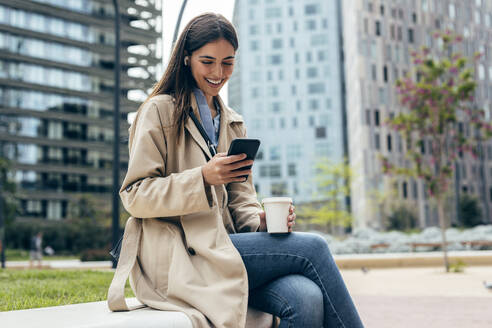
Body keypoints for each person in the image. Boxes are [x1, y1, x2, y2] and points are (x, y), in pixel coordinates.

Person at [108, 13, 363, 328]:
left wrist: (260, 222)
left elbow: (242, 199)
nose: (218, 73)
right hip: (184, 257)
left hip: (226, 250)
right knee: (313, 247)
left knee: (305, 296)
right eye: (208, 62)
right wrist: (202, 177)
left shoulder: (232, 122)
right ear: (186, 58)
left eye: (227, 63)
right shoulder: (158, 111)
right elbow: (135, 196)